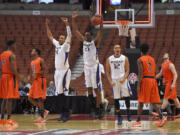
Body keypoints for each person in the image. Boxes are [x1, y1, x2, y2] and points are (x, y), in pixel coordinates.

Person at [72, 11, 104, 119]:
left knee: (96, 89)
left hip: (95, 67)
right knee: (89, 89)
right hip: (87, 68)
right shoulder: (84, 42)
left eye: (87, 35)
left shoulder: (95, 43)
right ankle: (93, 109)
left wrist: (102, 21)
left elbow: (100, 32)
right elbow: (76, 31)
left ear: (91, 36)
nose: (85, 36)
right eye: (85, 35)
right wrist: (73, 19)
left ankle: (100, 109)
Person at [132, 44, 167, 127]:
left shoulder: (140, 60)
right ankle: (162, 117)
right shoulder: (152, 59)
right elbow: (154, 72)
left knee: (141, 102)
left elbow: (140, 73)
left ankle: (138, 121)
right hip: (153, 80)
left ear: (140, 50)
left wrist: (138, 85)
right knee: (153, 102)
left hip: (145, 80)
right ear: (147, 50)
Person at [46, 17, 72, 122]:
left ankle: (66, 113)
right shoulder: (57, 44)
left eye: (62, 38)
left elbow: (70, 36)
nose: (61, 39)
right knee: (58, 94)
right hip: (57, 72)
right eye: (60, 38)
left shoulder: (66, 46)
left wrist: (67, 25)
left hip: (65, 71)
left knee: (63, 93)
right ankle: (63, 112)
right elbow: (50, 36)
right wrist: (47, 25)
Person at [106, 44, 131, 125]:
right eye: (115, 48)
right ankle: (119, 116)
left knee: (127, 97)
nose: (117, 49)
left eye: (118, 48)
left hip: (123, 80)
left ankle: (128, 113)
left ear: (120, 49)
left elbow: (127, 70)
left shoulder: (124, 58)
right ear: (113, 49)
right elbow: (108, 72)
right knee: (116, 99)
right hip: (114, 81)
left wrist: (124, 78)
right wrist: (110, 81)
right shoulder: (109, 59)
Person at [0, 40, 22, 125]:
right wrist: (19, 77)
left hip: (3, 76)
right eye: (15, 45)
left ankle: (2, 119)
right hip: (10, 77)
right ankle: (9, 119)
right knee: (9, 99)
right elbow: (13, 69)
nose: (16, 47)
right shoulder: (12, 55)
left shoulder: (1, 55)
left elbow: (1, 68)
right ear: (12, 45)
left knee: (4, 99)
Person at [152, 53, 180, 118]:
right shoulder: (163, 64)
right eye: (164, 56)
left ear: (168, 57)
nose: (164, 56)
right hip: (168, 83)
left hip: (171, 83)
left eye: (166, 56)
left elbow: (175, 74)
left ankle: (160, 113)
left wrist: (173, 84)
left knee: (165, 98)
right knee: (175, 98)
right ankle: (179, 113)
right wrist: (153, 77)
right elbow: (160, 74)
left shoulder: (171, 65)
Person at [28, 48, 49, 123]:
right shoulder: (32, 62)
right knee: (30, 98)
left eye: (33, 50)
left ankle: (42, 117)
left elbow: (45, 70)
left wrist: (37, 72)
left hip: (41, 80)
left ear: (36, 52)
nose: (31, 51)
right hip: (35, 81)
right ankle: (44, 111)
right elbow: (33, 73)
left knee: (40, 99)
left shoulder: (40, 60)